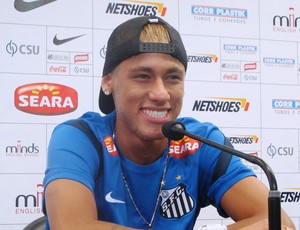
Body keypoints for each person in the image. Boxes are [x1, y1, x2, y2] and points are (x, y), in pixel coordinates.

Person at [43, 16, 295, 230]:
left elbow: (279, 224)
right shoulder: (80, 137)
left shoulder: (200, 140)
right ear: (108, 82)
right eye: (143, 76)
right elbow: (72, 226)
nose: (161, 94)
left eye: (172, 77)